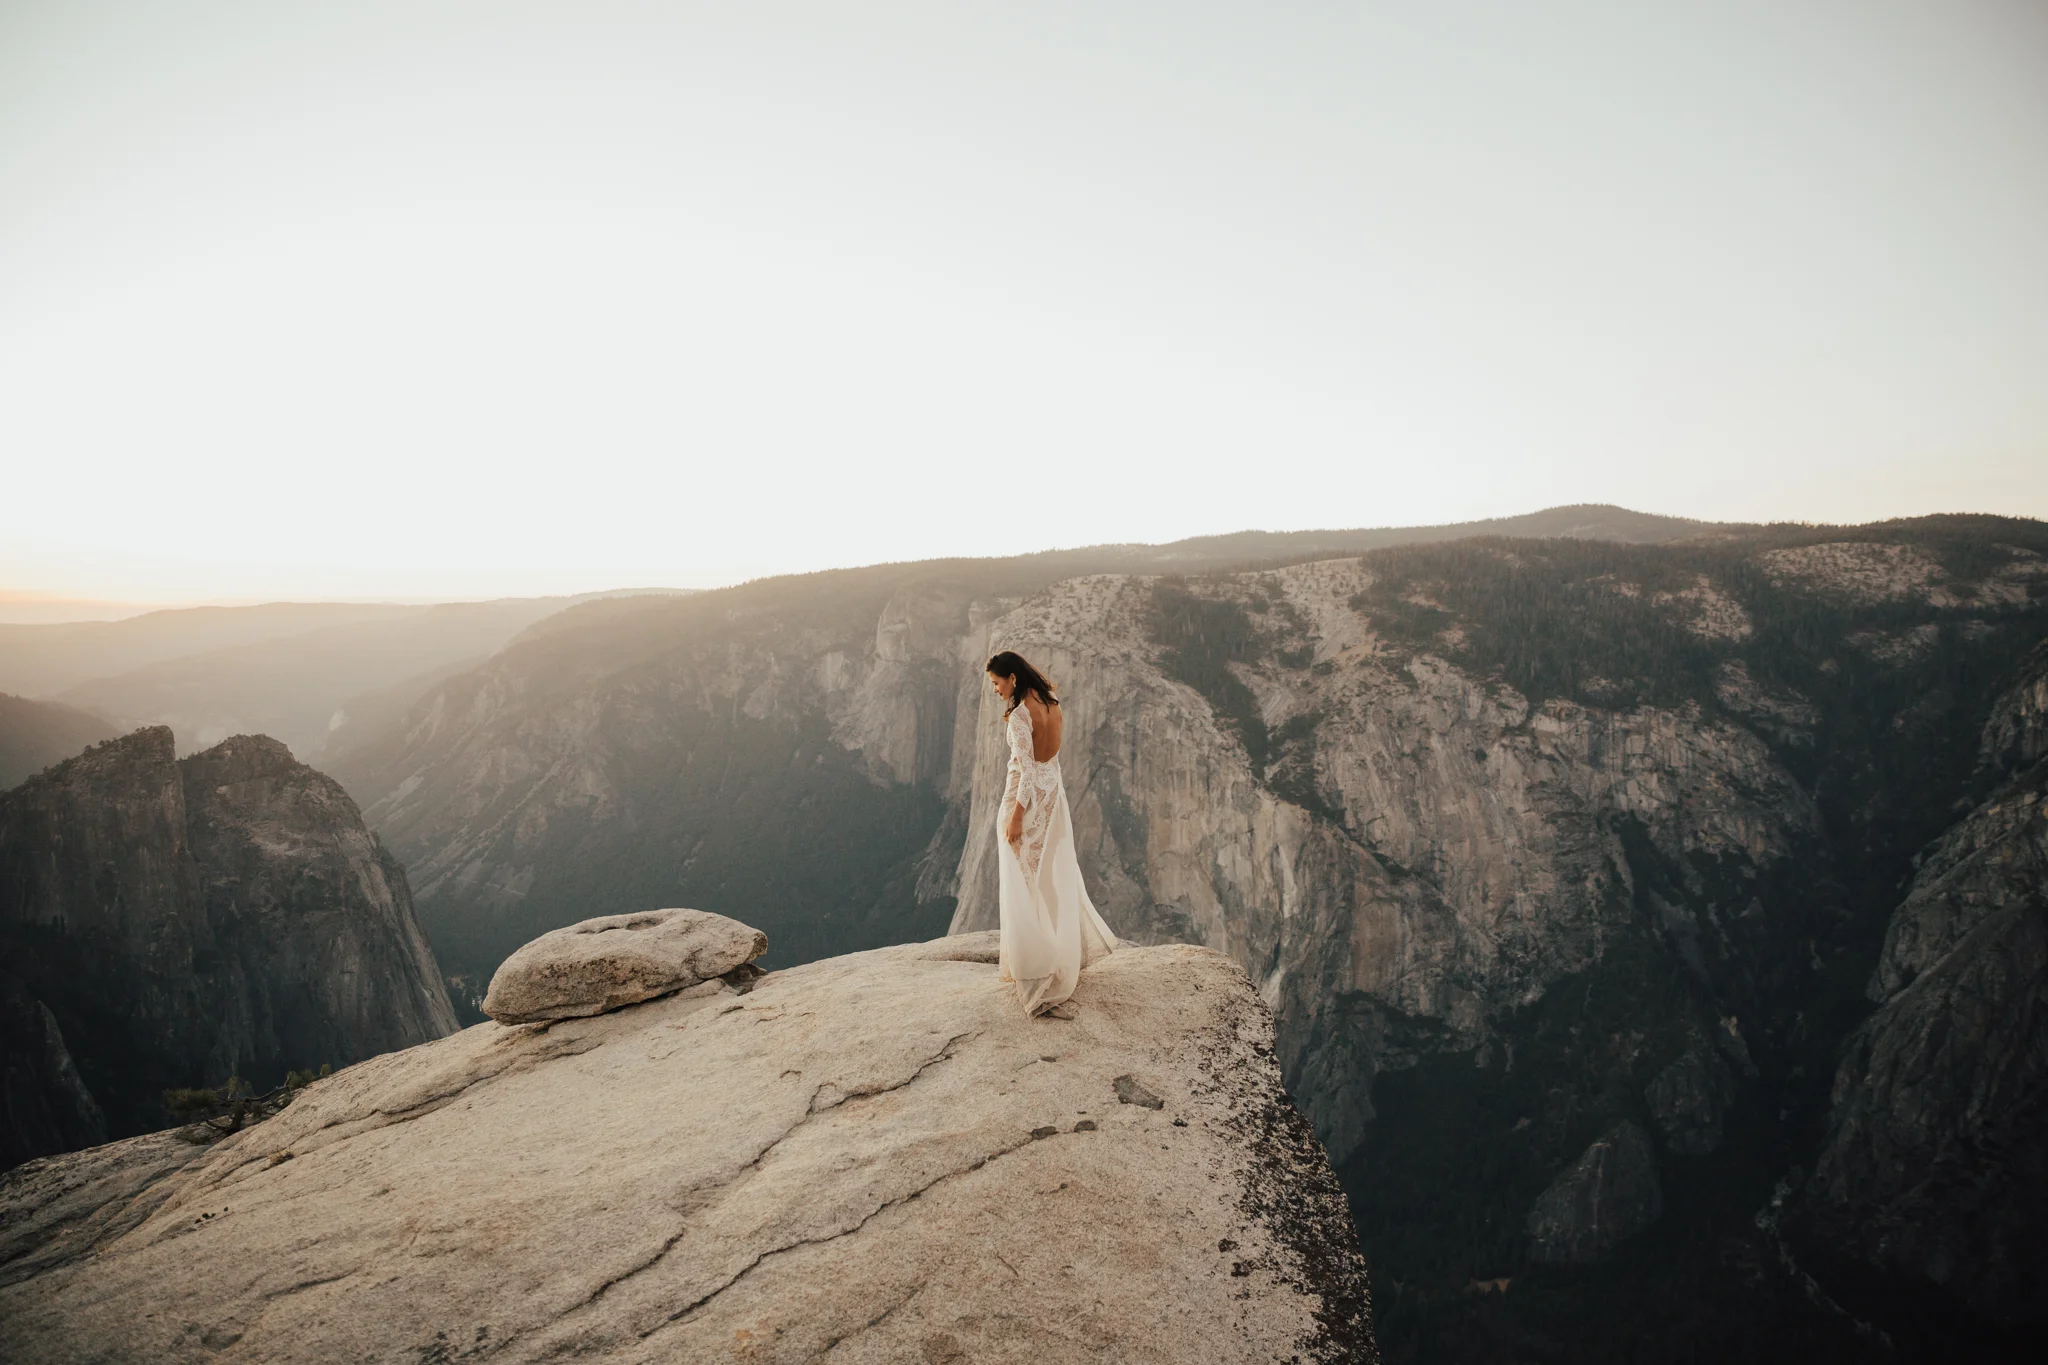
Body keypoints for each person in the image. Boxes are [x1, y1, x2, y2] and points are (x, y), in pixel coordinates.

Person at [986, 650, 1117, 1016]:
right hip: (1052, 799)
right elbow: (1051, 761)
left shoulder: (1019, 716)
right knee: (1048, 880)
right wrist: (1047, 801)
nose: (995, 691)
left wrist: (1015, 817)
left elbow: (1026, 773)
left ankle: (1036, 977)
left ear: (1012, 678)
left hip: (1024, 803)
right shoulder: (1051, 702)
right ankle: (1059, 956)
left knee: (1021, 883)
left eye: (996, 683)